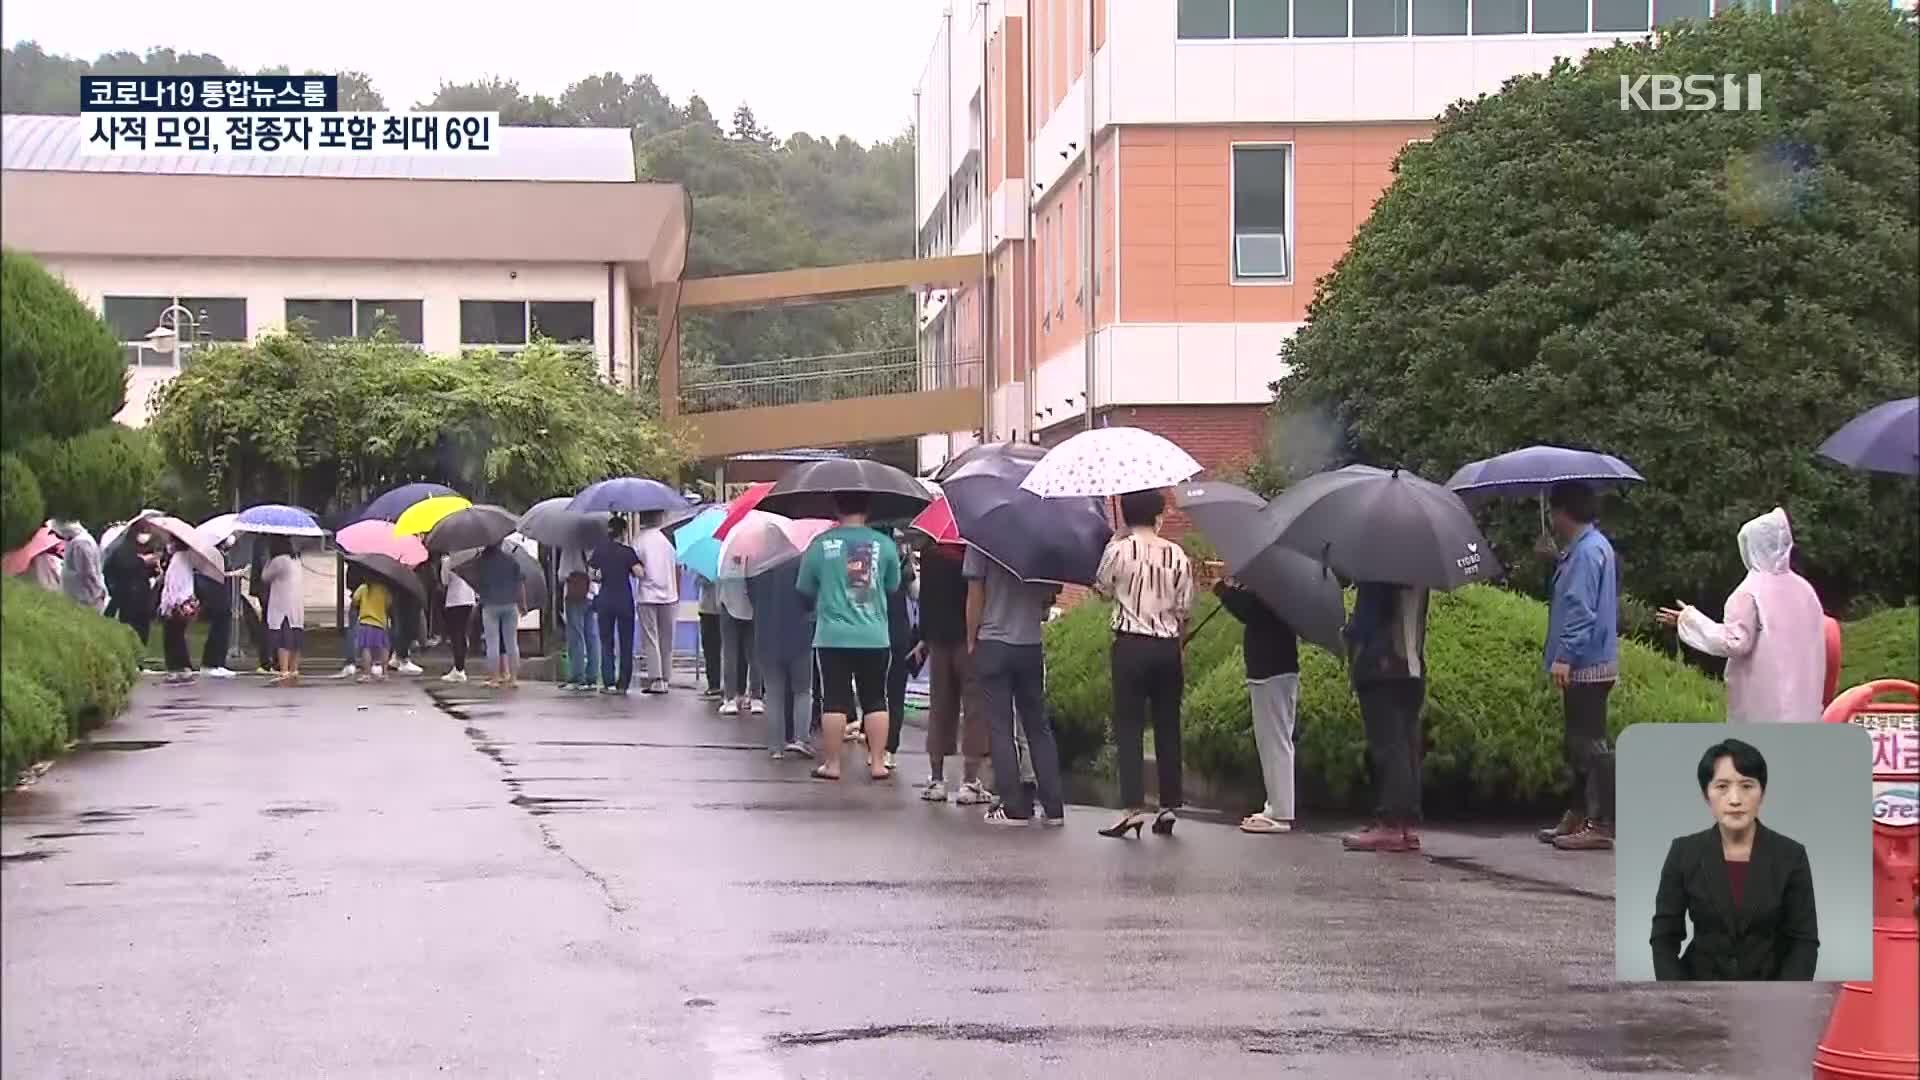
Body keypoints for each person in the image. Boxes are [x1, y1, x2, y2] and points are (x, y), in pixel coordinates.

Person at [1650, 738, 1819, 981]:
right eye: (1722, 787)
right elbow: (1663, 938)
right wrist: (1677, 996)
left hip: (1769, 991)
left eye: (1747, 786)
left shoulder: (1791, 856)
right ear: (1706, 795)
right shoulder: (1683, 852)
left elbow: (1804, 941)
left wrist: (1784, 998)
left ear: (1762, 793)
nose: (1735, 799)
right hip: (1699, 992)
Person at [1657, 508, 1826, 724]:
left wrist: (1689, 619)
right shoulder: (1805, 590)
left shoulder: (1749, 592)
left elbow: (1734, 642)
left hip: (1764, 707)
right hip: (1804, 706)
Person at [1094, 489, 1194, 838]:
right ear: (1157, 515)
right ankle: (1168, 805)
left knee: (1129, 726)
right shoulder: (1177, 555)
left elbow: (1102, 589)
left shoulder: (1118, 550)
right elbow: (1185, 607)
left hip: (1131, 645)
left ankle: (1133, 807)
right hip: (1167, 647)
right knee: (1168, 725)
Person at [795, 491, 901, 782]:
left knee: (835, 700)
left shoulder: (819, 546)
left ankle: (832, 765)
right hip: (874, 635)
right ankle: (878, 763)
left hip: (832, 636)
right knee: (876, 698)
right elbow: (893, 586)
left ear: (835, 507)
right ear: (868, 508)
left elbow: (804, 587)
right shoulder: (885, 545)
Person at [1539, 481, 1620, 852]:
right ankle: (1577, 813)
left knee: (1589, 744)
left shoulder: (1587, 553)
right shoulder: (1588, 548)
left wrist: (1564, 656)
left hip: (1586, 664)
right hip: (1591, 661)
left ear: (1562, 512)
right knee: (1577, 743)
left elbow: (1580, 610)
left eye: (1553, 511)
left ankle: (1601, 821)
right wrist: (1554, 561)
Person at [965, 544, 1066, 827]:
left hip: (994, 640)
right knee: (1038, 727)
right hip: (1030, 644)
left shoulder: (982, 540)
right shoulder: (1042, 542)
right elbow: (1048, 599)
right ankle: (1054, 807)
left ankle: (1013, 807)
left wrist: (972, 638)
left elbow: (975, 594)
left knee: (1000, 726)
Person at [1341, 580, 1432, 853]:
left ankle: (1390, 823)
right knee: (1406, 743)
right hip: (1412, 666)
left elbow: (1366, 622)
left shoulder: (1379, 572)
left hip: (1382, 666)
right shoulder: (1419, 570)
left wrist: (1348, 630)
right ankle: (1404, 824)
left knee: (1389, 745)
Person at [1214, 577, 1300, 834]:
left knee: (1275, 742)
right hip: (1277, 667)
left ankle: (1281, 812)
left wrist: (1225, 592)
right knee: (1274, 741)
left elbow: (1252, 611)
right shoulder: (1282, 582)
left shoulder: (1273, 583)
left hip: (1270, 668)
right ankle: (1274, 806)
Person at [915, 541, 991, 804]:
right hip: (970, 640)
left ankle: (936, 779)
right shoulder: (977, 550)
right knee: (974, 710)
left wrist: (924, 636)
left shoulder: (929, 552)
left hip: (938, 640)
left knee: (940, 707)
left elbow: (925, 597)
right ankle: (970, 782)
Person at [747, 557, 817, 759]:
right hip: (799, 634)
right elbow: (809, 597)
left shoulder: (757, 565)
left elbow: (752, 598)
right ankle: (800, 739)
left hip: (766, 635)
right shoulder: (801, 562)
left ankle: (775, 747)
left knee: (774, 694)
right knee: (803, 691)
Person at [591, 517, 644, 695]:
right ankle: (623, 684)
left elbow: (592, 574)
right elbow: (639, 573)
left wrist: (602, 575)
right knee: (626, 642)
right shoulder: (628, 552)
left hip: (605, 599)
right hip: (624, 600)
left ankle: (608, 682)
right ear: (623, 532)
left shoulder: (599, 551)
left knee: (606, 642)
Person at [882, 534, 920, 772]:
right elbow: (916, 594)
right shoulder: (904, 565)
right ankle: (889, 749)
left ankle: (876, 744)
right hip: (899, 633)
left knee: (875, 692)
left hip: (875, 631)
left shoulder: (868, 562)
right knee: (896, 693)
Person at [633, 511, 680, 695]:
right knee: (667, 639)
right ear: (660, 518)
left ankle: (656, 679)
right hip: (669, 595)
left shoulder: (639, 540)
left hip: (647, 595)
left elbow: (635, 567)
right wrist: (676, 592)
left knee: (650, 638)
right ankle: (666, 677)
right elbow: (677, 567)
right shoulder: (669, 540)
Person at [474, 540, 526, 690]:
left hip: (490, 605)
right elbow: (519, 584)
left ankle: (495, 679)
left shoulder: (481, 562)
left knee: (492, 643)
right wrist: (523, 604)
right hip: (510, 604)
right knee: (512, 642)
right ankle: (513, 678)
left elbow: (478, 584)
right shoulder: (511, 560)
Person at [716, 568, 763, 716]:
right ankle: (756, 697)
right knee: (754, 653)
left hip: (729, 604)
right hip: (752, 607)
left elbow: (718, 579)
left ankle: (730, 699)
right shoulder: (756, 555)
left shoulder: (725, 553)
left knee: (730, 652)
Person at [260, 537, 305, 686]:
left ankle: (284, 670)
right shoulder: (296, 560)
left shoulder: (279, 561)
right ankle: (294, 669)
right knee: (295, 636)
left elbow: (265, 577)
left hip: (282, 604)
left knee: (283, 639)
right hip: (296, 604)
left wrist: (267, 562)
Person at [105, 527, 161, 646]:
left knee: (140, 628)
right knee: (132, 628)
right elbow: (126, 567)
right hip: (128, 597)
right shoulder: (123, 549)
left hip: (140, 596)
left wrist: (153, 569)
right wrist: (143, 562)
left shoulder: (135, 550)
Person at [156, 538, 200, 685]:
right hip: (184, 602)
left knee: (172, 637)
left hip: (176, 604)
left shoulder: (178, 560)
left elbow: (173, 586)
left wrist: (169, 605)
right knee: (178, 636)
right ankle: (183, 667)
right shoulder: (186, 558)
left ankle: (177, 668)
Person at [192, 544, 239, 678]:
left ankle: (218, 663)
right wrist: (232, 573)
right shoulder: (213, 554)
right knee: (218, 629)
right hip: (215, 593)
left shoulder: (222, 554)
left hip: (221, 592)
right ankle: (211, 663)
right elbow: (217, 573)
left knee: (222, 629)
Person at [558, 543, 599, 691]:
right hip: (592, 593)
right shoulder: (594, 545)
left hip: (575, 594)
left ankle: (577, 677)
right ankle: (592, 677)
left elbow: (562, 574)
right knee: (591, 636)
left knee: (576, 636)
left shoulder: (569, 547)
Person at [51, 519, 106, 612]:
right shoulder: (76, 541)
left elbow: (88, 573)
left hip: (85, 599)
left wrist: (97, 592)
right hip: (78, 596)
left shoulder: (81, 545)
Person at [350, 571, 394, 683]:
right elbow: (389, 604)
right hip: (381, 623)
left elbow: (355, 601)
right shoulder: (385, 590)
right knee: (384, 648)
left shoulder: (363, 588)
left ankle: (367, 674)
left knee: (366, 648)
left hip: (366, 622)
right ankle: (385, 673)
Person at [440, 554, 477, 684]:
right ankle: (460, 666)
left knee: (456, 635)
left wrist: (444, 566)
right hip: (469, 598)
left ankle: (459, 668)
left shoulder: (448, 560)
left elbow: (444, 581)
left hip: (454, 600)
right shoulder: (471, 559)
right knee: (462, 633)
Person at [696, 574, 724, 699]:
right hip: (709, 609)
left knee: (724, 650)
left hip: (723, 609)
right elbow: (697, 582)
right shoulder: (703, 567)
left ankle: (723, 685)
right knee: (710, 650)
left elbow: (697, 583)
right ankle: (714, 684)